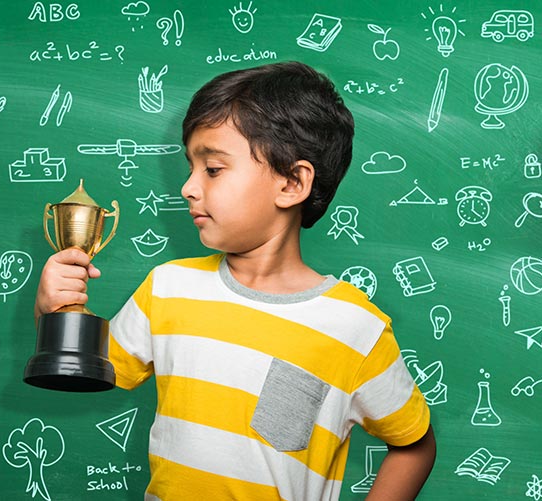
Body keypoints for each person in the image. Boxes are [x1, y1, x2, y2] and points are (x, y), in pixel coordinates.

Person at [35, 61, 436, 500]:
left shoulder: (355, 326)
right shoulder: (168, 287)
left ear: (292, 182)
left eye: (212, 169)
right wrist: (54, 309)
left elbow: (414, 445)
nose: (188, 187)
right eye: (190, 168)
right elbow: (89, 368)